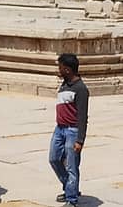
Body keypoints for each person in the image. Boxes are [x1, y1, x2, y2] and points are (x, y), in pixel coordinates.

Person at [49, 53, 89, 207]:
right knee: (54, 159)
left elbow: (82, 117)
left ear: (67, 69)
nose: (58, 70)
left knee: (72, 166)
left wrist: (80, 140)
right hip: (59, 129)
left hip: (73, 131)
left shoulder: (81, 89)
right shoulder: (64, 84)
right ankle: (70, 187)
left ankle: (71, 199)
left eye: (60, 67)